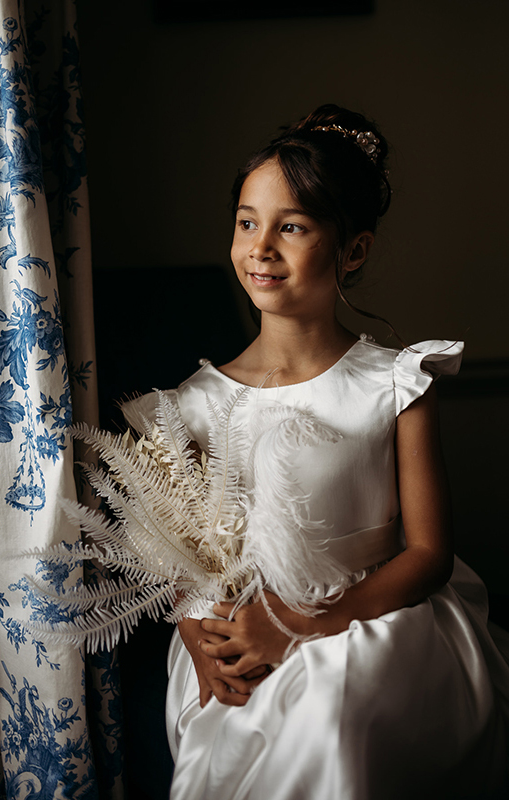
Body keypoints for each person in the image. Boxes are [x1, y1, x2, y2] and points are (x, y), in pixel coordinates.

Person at [135, 104, 509, 799]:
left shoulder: (396, 384)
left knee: (331, 719)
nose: (260, 247)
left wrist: (301, 627)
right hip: (235, 633)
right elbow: (177, 555)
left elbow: (427, 554)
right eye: (247, 221)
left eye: (293, 227)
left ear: (354, 250)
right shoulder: (189, 405)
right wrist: (195, 633)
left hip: (368, 622)